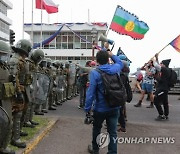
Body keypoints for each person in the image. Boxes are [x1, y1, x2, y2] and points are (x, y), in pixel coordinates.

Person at [85, 50, 124, 154]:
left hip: (100, 108)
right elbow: (120, 62)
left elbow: (90, 93)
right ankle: (112, 152)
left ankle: (95, 149)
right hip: (114, 106)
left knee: (97, 129)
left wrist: (87, 109)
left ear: (97, 61)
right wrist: (112, 54)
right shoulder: (115, 69)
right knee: (112, 132)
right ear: (108, 60)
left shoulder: (95, 72)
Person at [0, 40, 15, 154]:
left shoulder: (4, 67)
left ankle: (3, 146)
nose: (5, 57)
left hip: (5, 99)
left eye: (5, 55)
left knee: (7, 123)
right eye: (3, 55)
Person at [152, 54, 171, 120]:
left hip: (162, 89)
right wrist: (157, 58)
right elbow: (159, 67)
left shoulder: (165, 70)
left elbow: (157, 66)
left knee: (156, 101)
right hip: (165, 89)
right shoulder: (168, 70)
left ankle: (161, 115)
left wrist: (153, 60)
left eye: (161, 63)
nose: (160, 64)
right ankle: (166, 115)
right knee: (165, 102)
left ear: (164, 64)